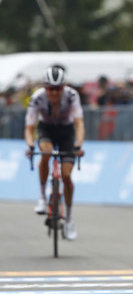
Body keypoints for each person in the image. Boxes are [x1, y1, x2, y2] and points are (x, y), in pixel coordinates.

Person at [24, 65, 85, 241]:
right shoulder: (37, 97)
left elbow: (79, 123)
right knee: (46, 152)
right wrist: (30, 146)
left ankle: (69, 220)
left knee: (66, 175)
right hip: (46, 130)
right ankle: (42, 197)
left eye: (58, 89)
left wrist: (78, 144)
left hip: (66, 132)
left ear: (63, 87)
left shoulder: (72, 96)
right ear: (45, 88)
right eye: (50, 89)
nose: (54, 93)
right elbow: (29, 128)